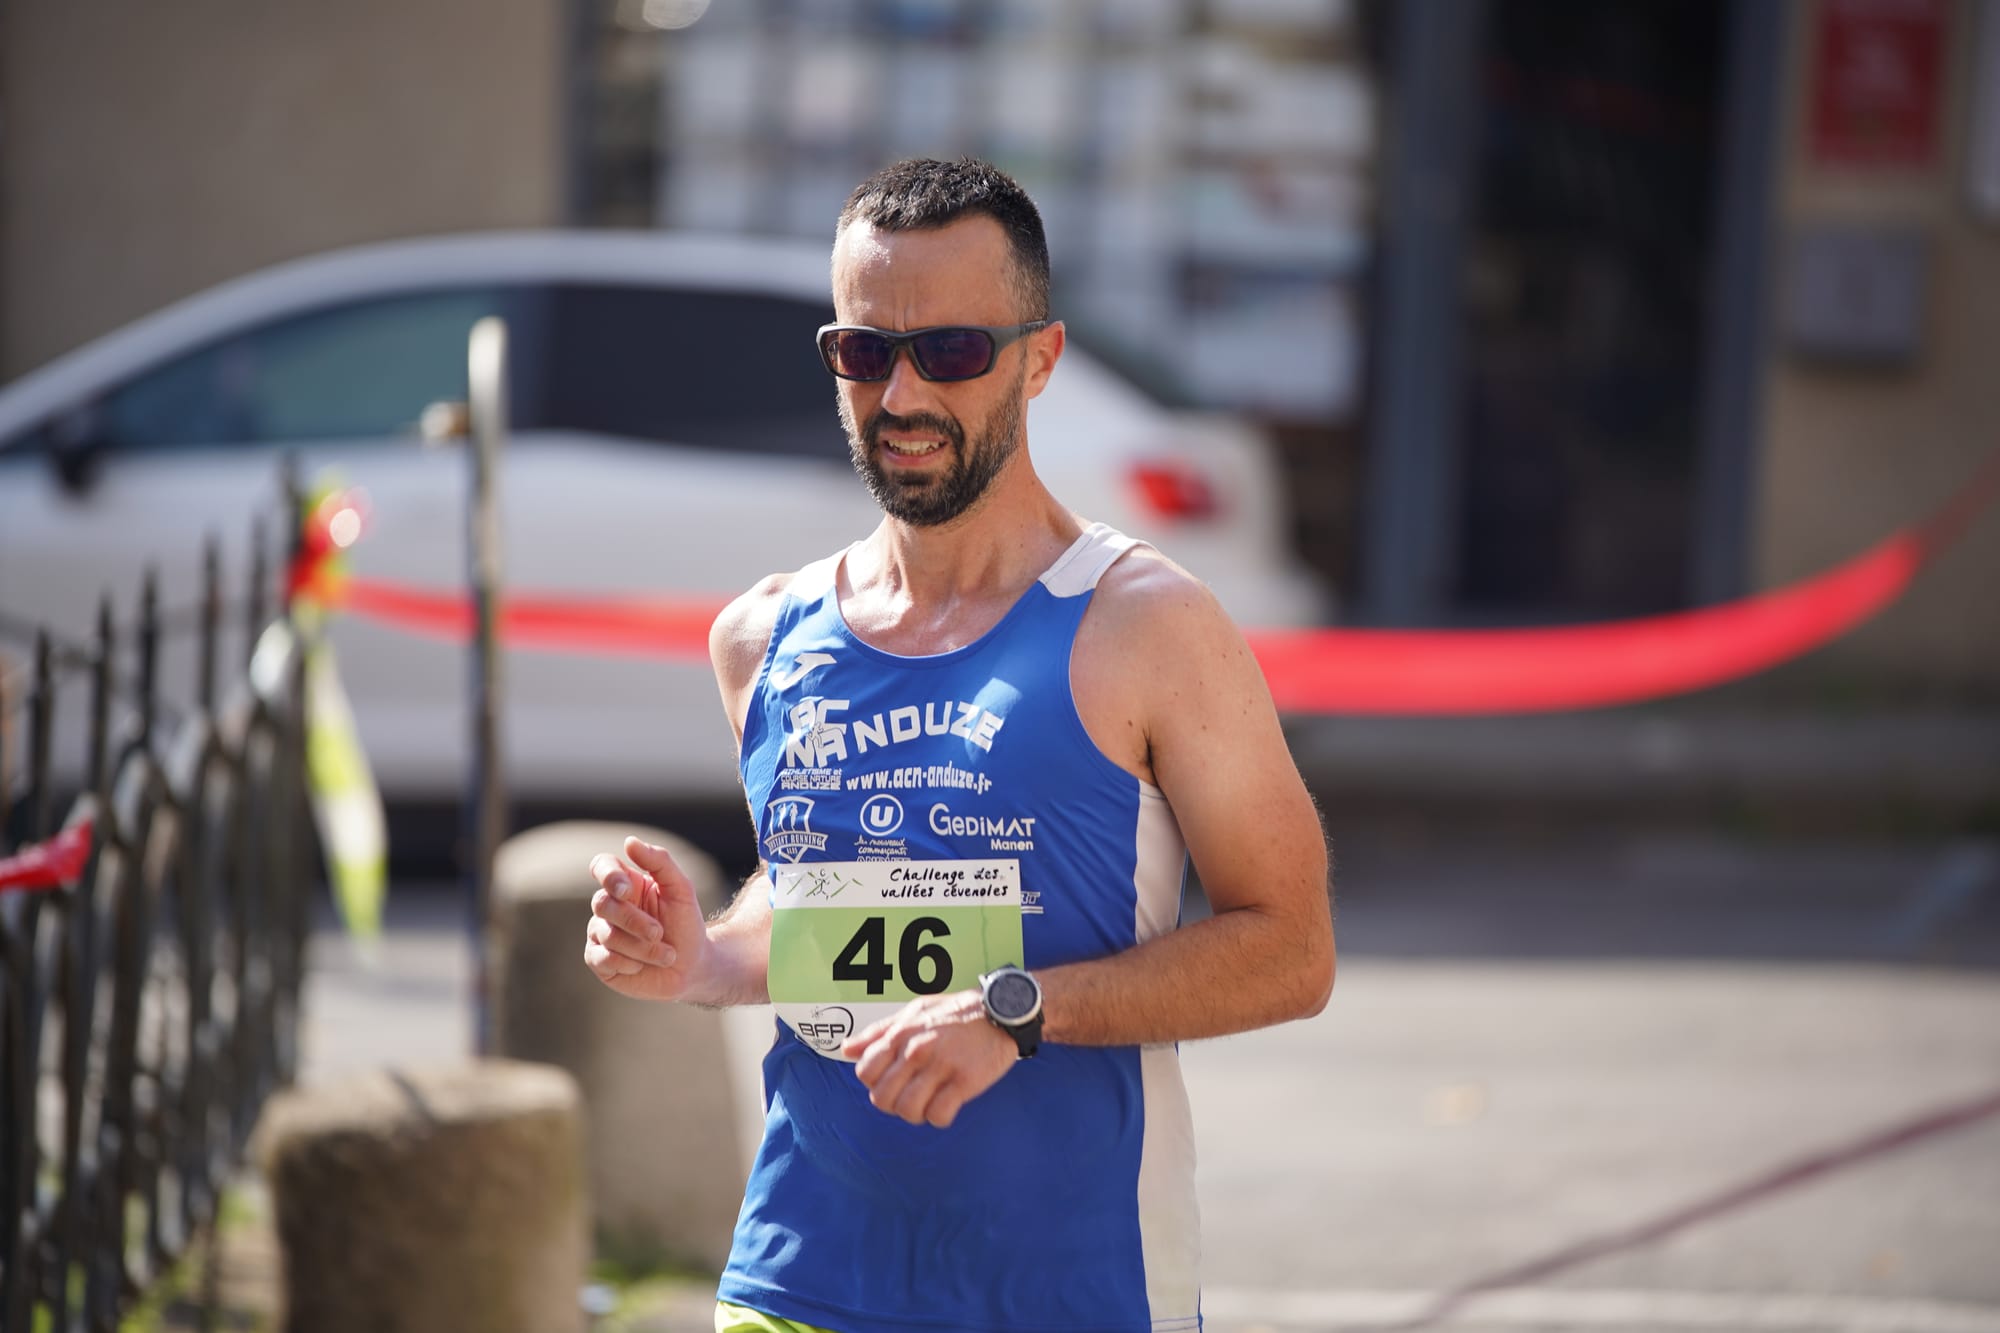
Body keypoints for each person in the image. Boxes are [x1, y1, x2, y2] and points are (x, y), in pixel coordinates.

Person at [583, 157, 1334, 1333]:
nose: (900, 396)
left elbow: (1290, 949)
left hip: (1071, 1292)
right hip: (799, 1279)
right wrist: (701, 958)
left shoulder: (1148, 624)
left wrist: (1012, 1007)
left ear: (1039, 358)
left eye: (951, 352)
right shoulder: (763, 636)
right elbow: (820, 911)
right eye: (864, 352)